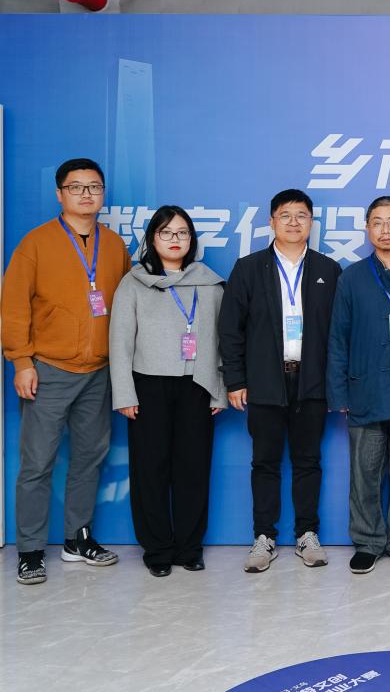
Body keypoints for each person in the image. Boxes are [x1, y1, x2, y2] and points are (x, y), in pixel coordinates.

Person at [2, 158, 129, 585]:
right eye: (76, 187)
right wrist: (21, 361)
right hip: (48, 369)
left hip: (100, 371)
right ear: (60, 194)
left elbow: (127, 306)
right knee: (37, 462)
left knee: (89, 459)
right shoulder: (35, 243)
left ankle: (78, 540)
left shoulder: (114, 245)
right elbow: (14, 307)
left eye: (94, 186)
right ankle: (30, 550)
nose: (86, 194)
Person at [218, 189, 341, 573]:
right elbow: (230, 330)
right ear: (271, 221)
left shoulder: (328, 270)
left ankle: (307, 534)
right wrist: (236, 380)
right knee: (265, 462)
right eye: (285, 215)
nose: (293, 222)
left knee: (308, 461)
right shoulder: (249, 268)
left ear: (311, 223)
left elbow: (339, 334)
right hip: (265, 381)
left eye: (301, 215)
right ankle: (264, 537)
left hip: (312, 381)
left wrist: (337, 385)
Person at [109, 205, 227, 577]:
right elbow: (120, 342)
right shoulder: (133, 283)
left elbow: (222, 342)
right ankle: (157, 548)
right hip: (148, 385)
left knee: (194, 469)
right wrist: (124, 393)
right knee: (150, 469)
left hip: (197, 385)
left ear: (192, 240)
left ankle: (190, 548)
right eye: (166, 232)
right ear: (152, 238)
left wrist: (219, 390)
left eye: (182, 233)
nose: (175, 240)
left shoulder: (210, 284)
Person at [327, 196, 390, 575]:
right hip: (365, 388)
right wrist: (339, 392)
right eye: (378, 223)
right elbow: (338, 338)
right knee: (364, 472)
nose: (386, 230)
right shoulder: (351, 278)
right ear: (367, 229)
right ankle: (367, 541)